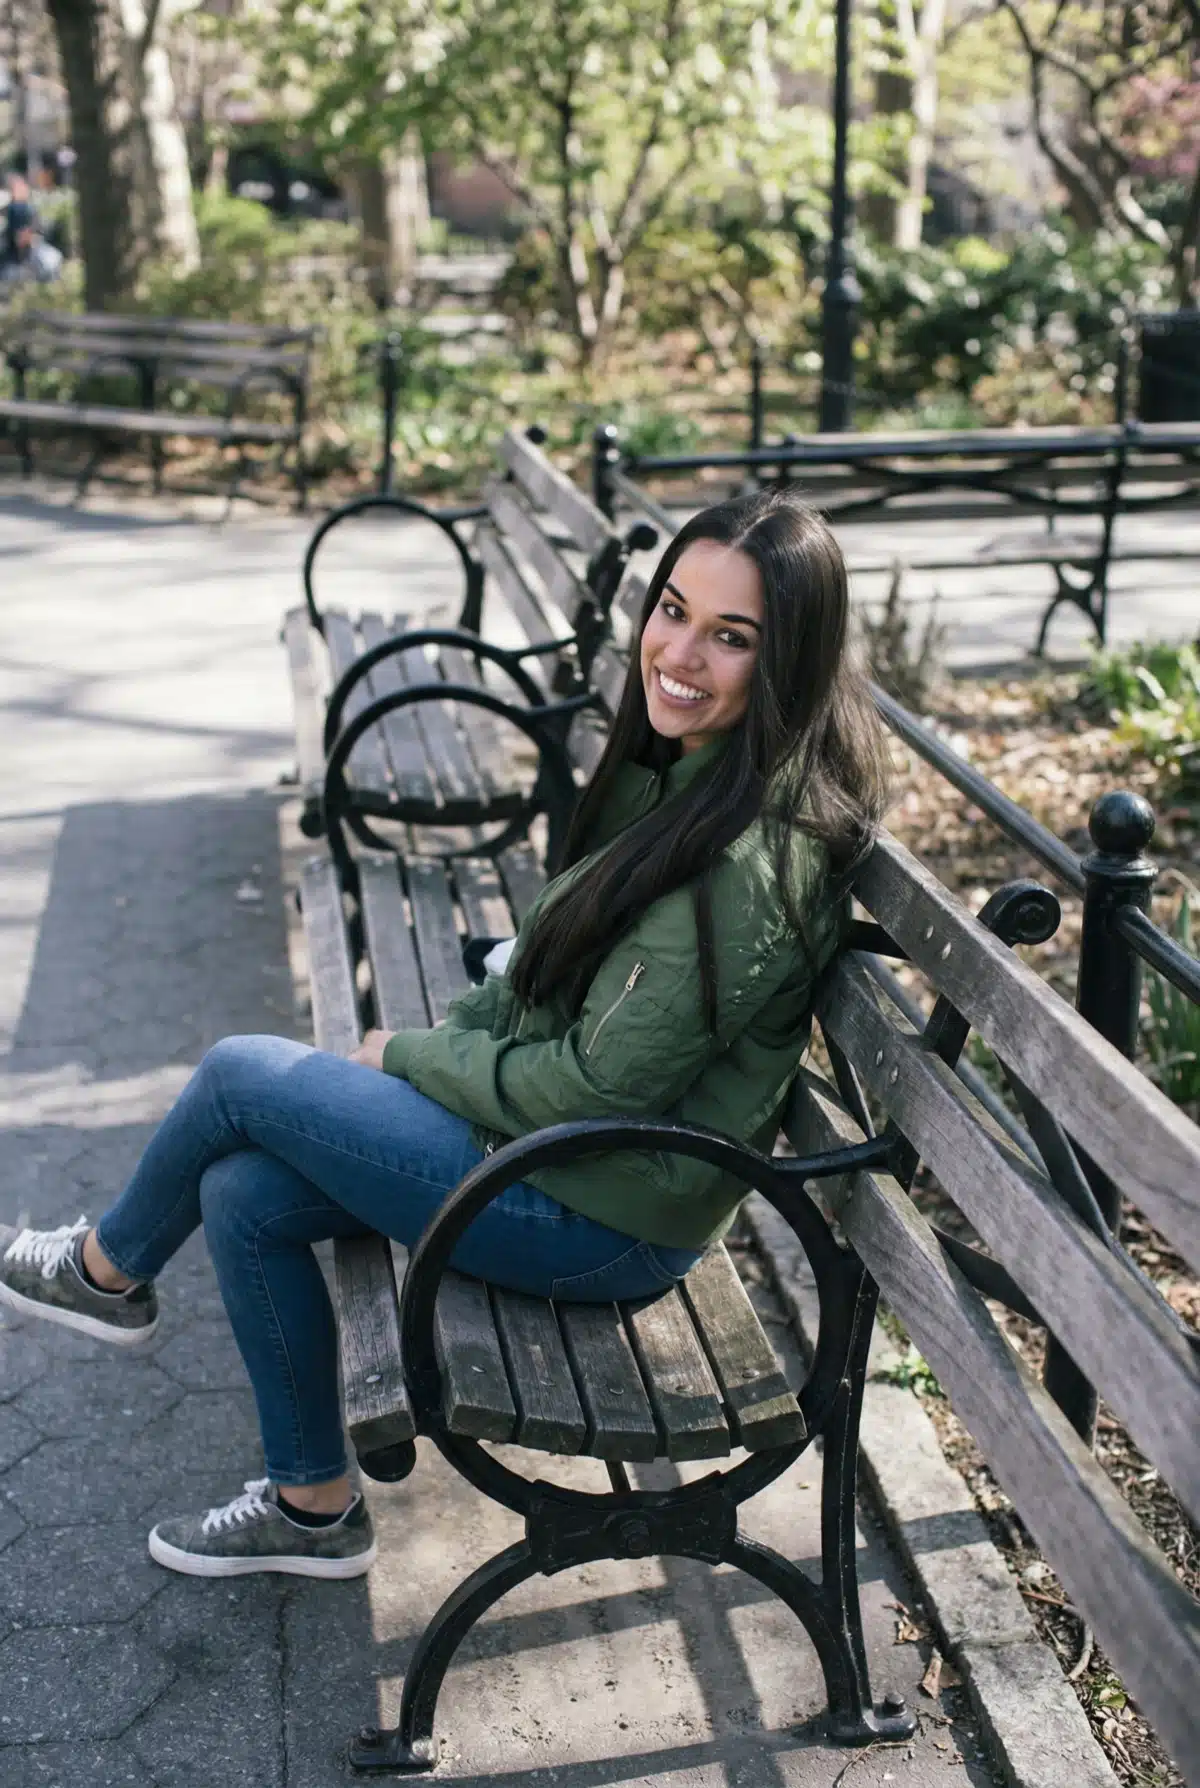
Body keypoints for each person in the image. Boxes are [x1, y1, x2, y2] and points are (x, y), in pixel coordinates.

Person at [0, 492, 888, 1581]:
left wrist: (411, 1058)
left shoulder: (742, 862)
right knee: (240, 1193)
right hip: (572, 1164)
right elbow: (552, 964)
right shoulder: (684, 773)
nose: (680, 653)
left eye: (731, 636)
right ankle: (313, 1509)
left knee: (238, 1074)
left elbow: (591, 1091)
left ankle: (101, 1274)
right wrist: (451, 1041)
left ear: (789, 660)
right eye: (673, 610)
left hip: (601, 1216)